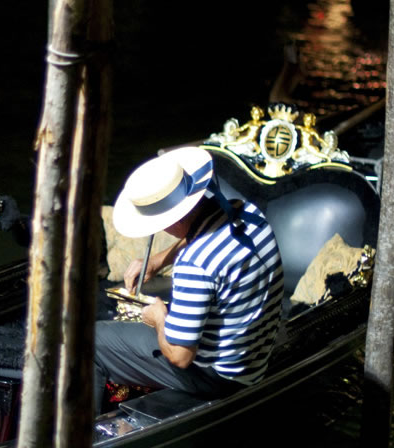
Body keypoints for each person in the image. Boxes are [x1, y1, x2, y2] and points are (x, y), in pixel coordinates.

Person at [94, 146, 285, 412]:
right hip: (254, 358)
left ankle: (83, 438)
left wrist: (159, 318)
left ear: (172, 220)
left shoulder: (194, 263)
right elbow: (199, 235)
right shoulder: (249, 213)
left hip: (217, 377)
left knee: (91, 340)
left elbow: (181, 357)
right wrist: (160, 259)